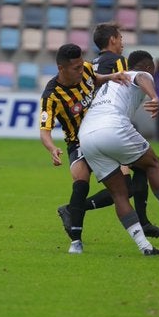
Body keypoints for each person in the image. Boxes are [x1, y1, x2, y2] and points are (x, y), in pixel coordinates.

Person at [78, 50, 159, 255]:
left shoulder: (107, 84)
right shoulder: (137, 73)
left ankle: (145, 247)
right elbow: (142, 76)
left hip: (86, 137)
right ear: (148, 66)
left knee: (119, 194)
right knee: (152, 163)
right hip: (112, 127)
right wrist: (154, 96)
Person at [39, 44, 131, 253]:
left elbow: (95, 78)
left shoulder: (86, 68)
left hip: (102, 135)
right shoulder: (52, 96)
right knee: (81, 183)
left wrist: (112, 76)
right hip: (78, 143)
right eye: (76, 68)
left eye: (82, 66)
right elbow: (44, 131)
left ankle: (72, 210)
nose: (82, 70)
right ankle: (76, 242)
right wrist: (52, 148)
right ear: (61, 68)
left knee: (126, 187)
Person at [89, 22, 159, 238]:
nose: (123, 42)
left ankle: (144, 222)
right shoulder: (119, 63)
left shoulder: (91, 64)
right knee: (130, 182)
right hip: (110, 129)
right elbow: (133, 81)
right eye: (121, 37)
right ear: (113, 39)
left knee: (136, 175)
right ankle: (74, 209)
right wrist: (153, 96)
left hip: (90, 128)